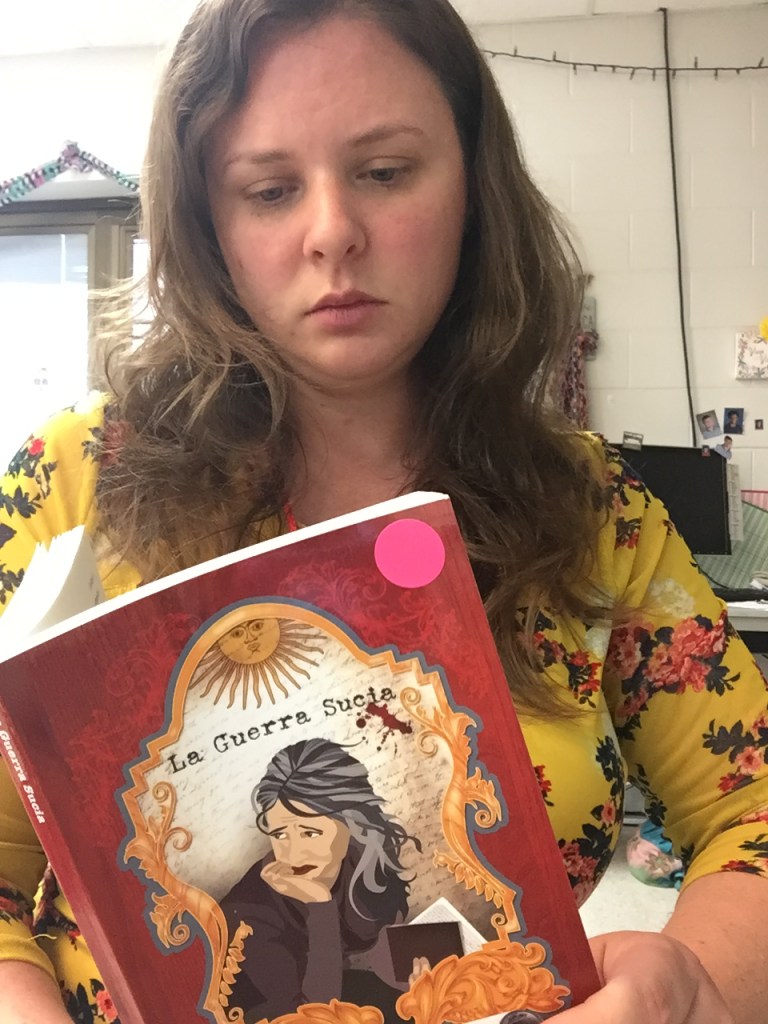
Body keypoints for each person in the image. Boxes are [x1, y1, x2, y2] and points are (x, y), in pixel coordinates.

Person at [0, 1, 765, 1022]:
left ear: (473, 189)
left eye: (386, 171)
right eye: (269, 190)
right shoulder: (78, 480)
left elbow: (753, 809)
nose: (332, 234)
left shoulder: (591, 510)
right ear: (208, 225)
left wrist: (693, 987)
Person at [219, 738, 418, 1024]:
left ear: (351, 824)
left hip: (342, 992)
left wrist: (407, 976)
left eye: (310, 833)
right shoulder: (251, 913)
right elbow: (312, 1016)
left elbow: (377, 936)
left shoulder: (362, 858)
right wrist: (320, 907)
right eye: (280, 835)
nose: (294, 854)